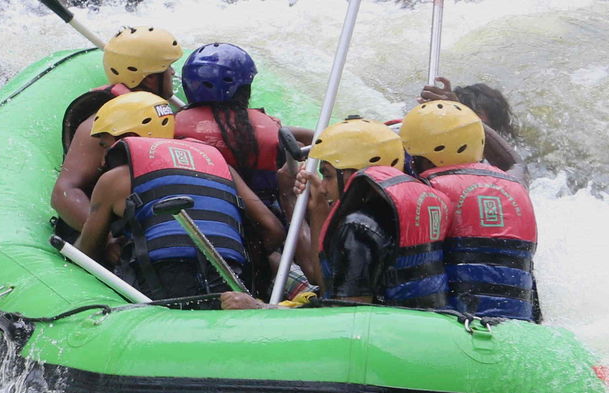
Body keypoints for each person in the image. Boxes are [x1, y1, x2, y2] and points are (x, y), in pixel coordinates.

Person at [221, 118, 452, 310]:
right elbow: (324, 282)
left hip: (380, 333)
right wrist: (318, 209)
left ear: (355, 173)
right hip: (416, 322)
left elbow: (345, 317)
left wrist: (261, 308)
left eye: (328, 175)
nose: (323, 186)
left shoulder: (359, 225)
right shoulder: (401, 207)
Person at [75, 92, 284, 300]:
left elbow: (85, 255)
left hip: (161, 284)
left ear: (128, 137)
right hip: (230, 281)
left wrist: (115, 247)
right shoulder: (221, 166)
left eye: (104, 146)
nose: (101, 159)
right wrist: (246, 259)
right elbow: (273, 230)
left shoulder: (114, 180)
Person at [400, 100, 538, 321]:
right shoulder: (517, 184)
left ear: (418, 160)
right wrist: (466, 119)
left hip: (456, 323)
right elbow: (516, 163)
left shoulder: (425, 192)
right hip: (517, 325)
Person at [52, 26, 182, 234]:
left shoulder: (157, 114)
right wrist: (106, 239)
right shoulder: (101, 123)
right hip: (108, 225)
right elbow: (63, 193)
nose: (173, 72)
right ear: (150, 78)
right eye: (168, 67)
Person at [173, 43, 313, 213]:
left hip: (193, 205)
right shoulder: (269, 130)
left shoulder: (171, 126)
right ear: (243, 90)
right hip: (263, 211)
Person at [420, 77, 526, 182]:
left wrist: (462, 115)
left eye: (474, 124)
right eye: (457, 124)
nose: (466, 134)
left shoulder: (502, 177)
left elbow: (515, 171)